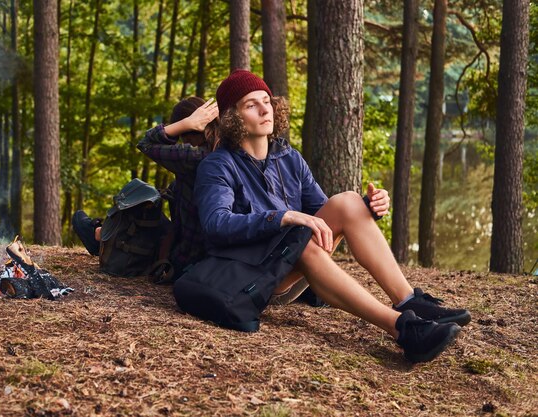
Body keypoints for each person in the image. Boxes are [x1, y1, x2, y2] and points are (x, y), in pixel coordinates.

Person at [193, 69, 471, 363]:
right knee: (305, 246)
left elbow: (324, 215)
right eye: (251, 104)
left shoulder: (288, 158)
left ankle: (409, 301)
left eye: (267, 100)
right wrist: (282, 217)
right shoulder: (218, 165)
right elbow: (216, 224)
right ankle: (403, 330)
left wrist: (367, 209)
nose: (265, 109)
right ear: (233, 118)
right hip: (256, 275)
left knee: (348, 201)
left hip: (292, 259)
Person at [72, 96, 219, 281]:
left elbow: (146, 143)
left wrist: (184, 123)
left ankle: (100, 236)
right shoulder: (226, 151)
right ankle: (103, 234)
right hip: (210, 258)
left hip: (187, 259)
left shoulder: (195, 157)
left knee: (145, 201)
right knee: (169, 191)